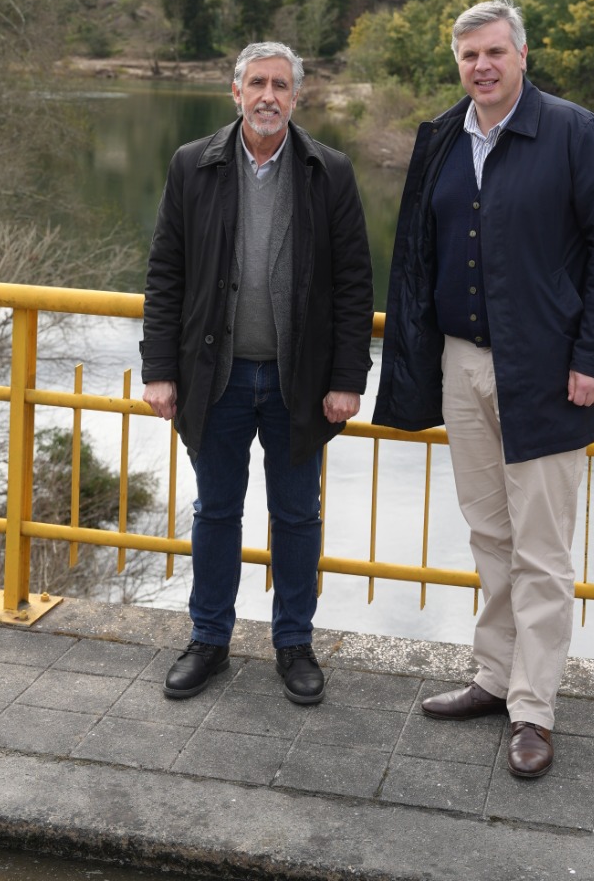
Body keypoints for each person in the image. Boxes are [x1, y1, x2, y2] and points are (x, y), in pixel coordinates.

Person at [374, 0, 594, 778]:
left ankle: (534, 709)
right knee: (490, 534)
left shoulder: (571, 130)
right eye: (468, 57)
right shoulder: (441, 137)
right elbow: (419, 254)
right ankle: (493, 677)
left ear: (523, 54)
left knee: (544, 552)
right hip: (463, 364)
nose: (481, 67)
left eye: (494, 53)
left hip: (549, 372)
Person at [140, 41, 374, 706]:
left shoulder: (329, 170)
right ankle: (209, 640)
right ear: (234, 93)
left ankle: (293, 644)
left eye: (281, 85)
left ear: (297, 97)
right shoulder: (194, 165)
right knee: (217, 510)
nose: (268, 95)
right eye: (256, 83)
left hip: (299, 382)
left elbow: (355, 283)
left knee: (298, 515)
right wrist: (160, 369)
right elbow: (165, 274)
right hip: (215, 377)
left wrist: (346, 377)